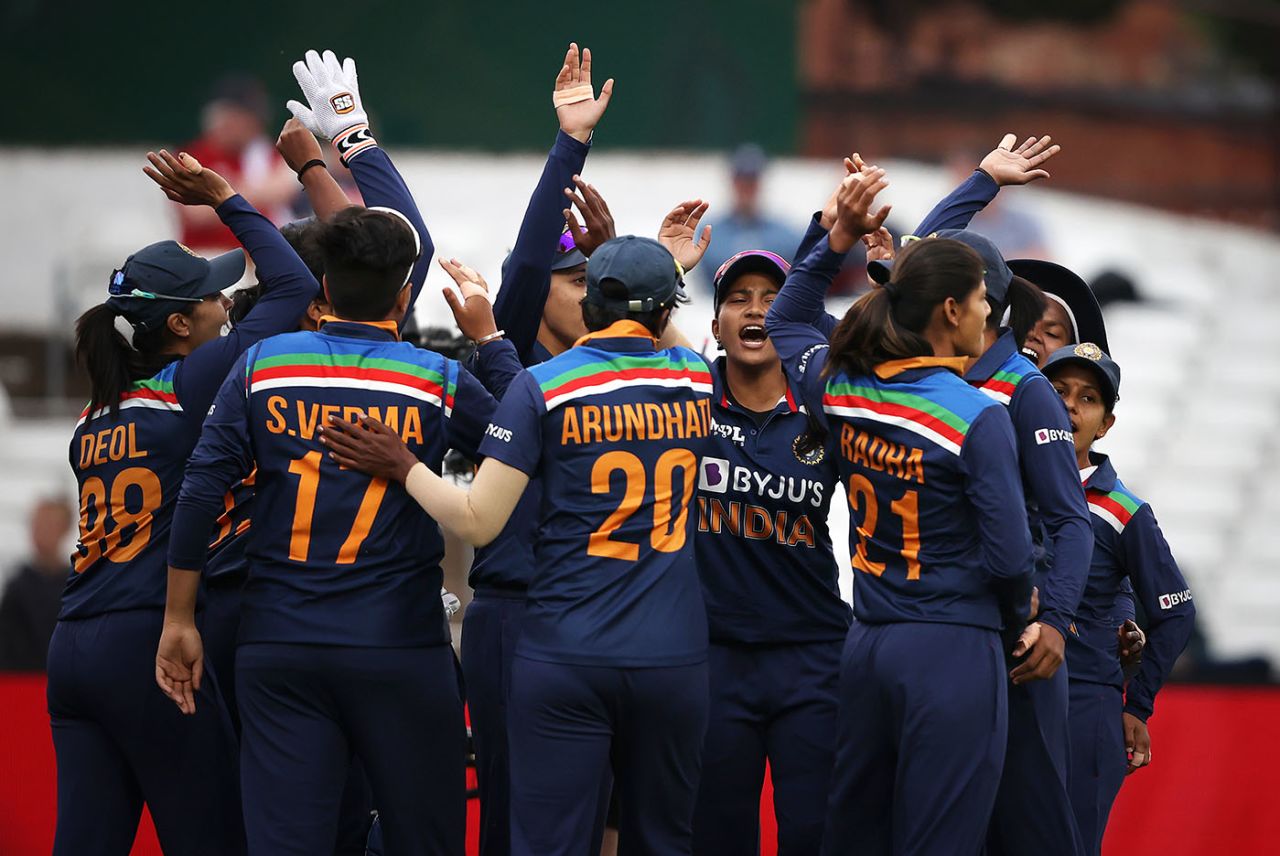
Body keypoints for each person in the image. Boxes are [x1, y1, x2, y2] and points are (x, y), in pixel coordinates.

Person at [321, 235, 713, 856]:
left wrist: (403, 466)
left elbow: (476, 521)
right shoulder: (695, 379)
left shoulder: (543, 389)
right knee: (664, 839)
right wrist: (665, 278)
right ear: (666, 310)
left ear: (588, 311)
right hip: (673, 655)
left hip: (566, 651)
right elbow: (671, 340)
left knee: (548, 842)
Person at [157, 199, 504, 856]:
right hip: (398, 645)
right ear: (404, 297)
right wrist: (491, 343)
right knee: (424, 838)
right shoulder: (437, 377)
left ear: (322, 288)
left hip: (281, 642)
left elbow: (201, 489)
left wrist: (179, 617)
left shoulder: (263, 365)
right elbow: (515, 453)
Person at [50, 148, 320, 855]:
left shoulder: (94, 413)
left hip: (73, 643)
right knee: (216, 839)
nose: (225, 301)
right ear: (177, 327)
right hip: (148, 643)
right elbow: (294, 284)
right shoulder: (188, 387)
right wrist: (226, 198)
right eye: (209, 295)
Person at [766, 170, 1035, 856]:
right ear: (949, 310)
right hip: (953, 646)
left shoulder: (843, 384)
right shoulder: (977, 415)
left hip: (869, 642)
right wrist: (1011, 626)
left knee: (855, 837)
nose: (989, 315)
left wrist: (837, 240)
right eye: (981, 301)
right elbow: (1009, 560)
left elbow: (787, 319)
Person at [457, 43, 612, 856]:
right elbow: (524, 263)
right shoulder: (507, 359)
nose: (590, 296)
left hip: (606, 615)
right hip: (517, 613)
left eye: (598, 282)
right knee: (517, 818)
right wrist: (570, 147)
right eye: (576, 281)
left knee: (598, 821)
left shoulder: (622, 369)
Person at [690, 248, 850, 856]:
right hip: (712, 657)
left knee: (813, 834)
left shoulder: (825, 409)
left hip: (813, 657)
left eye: (772, 300)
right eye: (738, 298)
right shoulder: (686, 399)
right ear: (715, 328)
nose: (756, 311)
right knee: (718, 837)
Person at [1041, 343, 1196, 855]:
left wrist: (1139, 705)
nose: (1069, 405)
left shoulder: (1125, 509)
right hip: (1006, 694)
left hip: (1084, 703)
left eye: (1087, 399)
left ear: (1105, 423)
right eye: (1058, 391)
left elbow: (1175, 611)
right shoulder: (1008, 481)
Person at [179, 75, 298, 251]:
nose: (254, 126)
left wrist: (223, 194)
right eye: (242, 118)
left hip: (256, 256)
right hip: (207, 255)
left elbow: (284, 188)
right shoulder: (192, 155)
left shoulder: (264, 153)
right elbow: (196, 215)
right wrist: (254, 193)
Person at [698, 143, 802, 293]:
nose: (746, 187)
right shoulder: (710, 232)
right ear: (733, 182)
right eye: (742, 180)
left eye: (752, 180)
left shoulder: (786, 234)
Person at [0, 497, 74, 671]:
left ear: (64, 529)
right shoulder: (17, 587)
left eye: (49, 525)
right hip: (23, 685)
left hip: (61, 682)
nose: (40, 531)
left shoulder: (75, 585)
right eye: (37, 524)